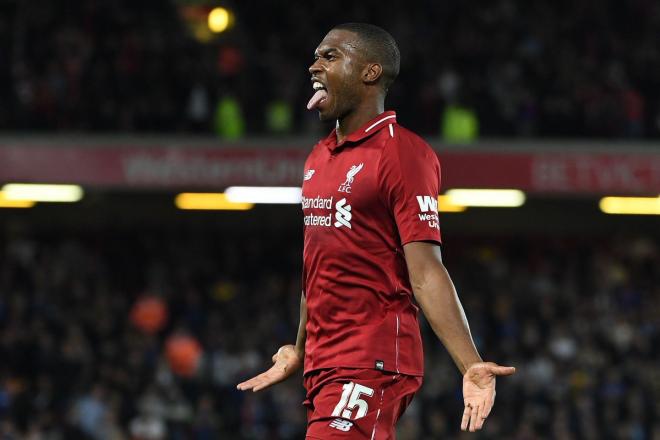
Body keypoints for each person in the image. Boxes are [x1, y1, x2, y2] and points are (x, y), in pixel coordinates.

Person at [237, 23, 515, 438]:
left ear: (369, 72)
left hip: (372, 359)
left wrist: (470, 363)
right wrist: (299, 346)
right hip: (323, 363)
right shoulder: (319, 156)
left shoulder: (402, 155)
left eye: (330, 56)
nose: (314, 66)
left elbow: (425, 271)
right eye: (316, 56)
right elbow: (318, 266)